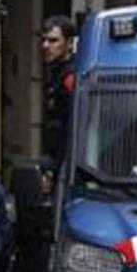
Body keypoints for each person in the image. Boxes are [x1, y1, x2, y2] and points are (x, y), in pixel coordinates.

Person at [40, 15, 77, 166]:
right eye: (44, 40)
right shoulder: (56, 73)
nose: (45, 46)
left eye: (53, 40)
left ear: (69, 43)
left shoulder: (70, 76)